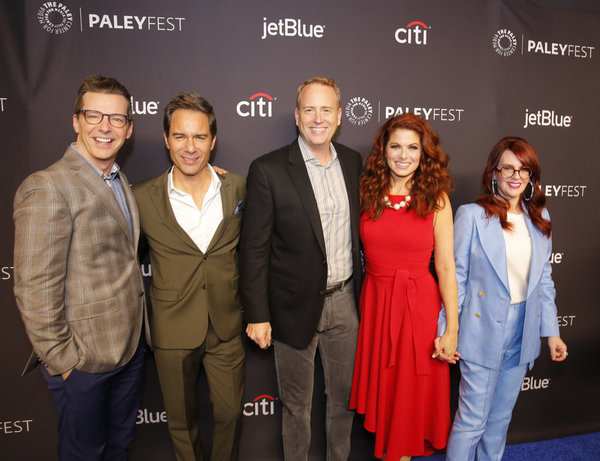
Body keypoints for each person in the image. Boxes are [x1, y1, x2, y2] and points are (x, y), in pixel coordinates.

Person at [13, 75, 148, 461]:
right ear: (76, 120)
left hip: (129, 349)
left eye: (117, 118)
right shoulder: (47, 186)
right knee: (84, 455)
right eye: (94, 115)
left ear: (129, 128)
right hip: (83, 361)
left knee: (118, 449)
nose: (105, 127)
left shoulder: (119, 180)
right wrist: (64, 362)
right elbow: (34, 285)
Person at [239, 76, 362, 461]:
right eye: (309, 109)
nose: (317, 118)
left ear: (339, 116)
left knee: (342, 402)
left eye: (326, 109)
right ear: (296, 116)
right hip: (291, 306)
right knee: (296, 406)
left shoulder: (354, 163)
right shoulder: (268, 169)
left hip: (345, 302)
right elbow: (253, 250)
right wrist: (258, 314)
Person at [133, 92, 245, 461]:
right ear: (166, 140)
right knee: (181, 423)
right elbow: (123, 262)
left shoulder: (239, 188)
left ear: (213, 141)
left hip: (226, 323)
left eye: (199, 137)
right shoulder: (141, 197)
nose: (190, 147)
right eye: (180, 136)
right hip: (172, 327)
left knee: (230, 415)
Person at [441, 136, 568, 460]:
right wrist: (447, 331)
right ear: (494, 173)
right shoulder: (471, 215)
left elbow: (544, 280)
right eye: (508, 168)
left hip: (523, 328)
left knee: (499, 421)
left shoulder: (540, 218)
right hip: (481, 329)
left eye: (523, 169)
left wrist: (551, 333)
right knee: (471, 421)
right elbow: (456, 278)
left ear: (531, 177)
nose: (515, 176)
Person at [350, 113, 459, 461]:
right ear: (383, 149)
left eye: (413, 147)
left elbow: (445, 266)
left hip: (418, 310)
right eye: (395, 145)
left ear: (424, 153)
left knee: (409, 398)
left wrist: (452, 328)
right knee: (386, 396)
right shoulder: (367, 191)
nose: (403, 154)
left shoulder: (436, 198)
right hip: (376, 306)